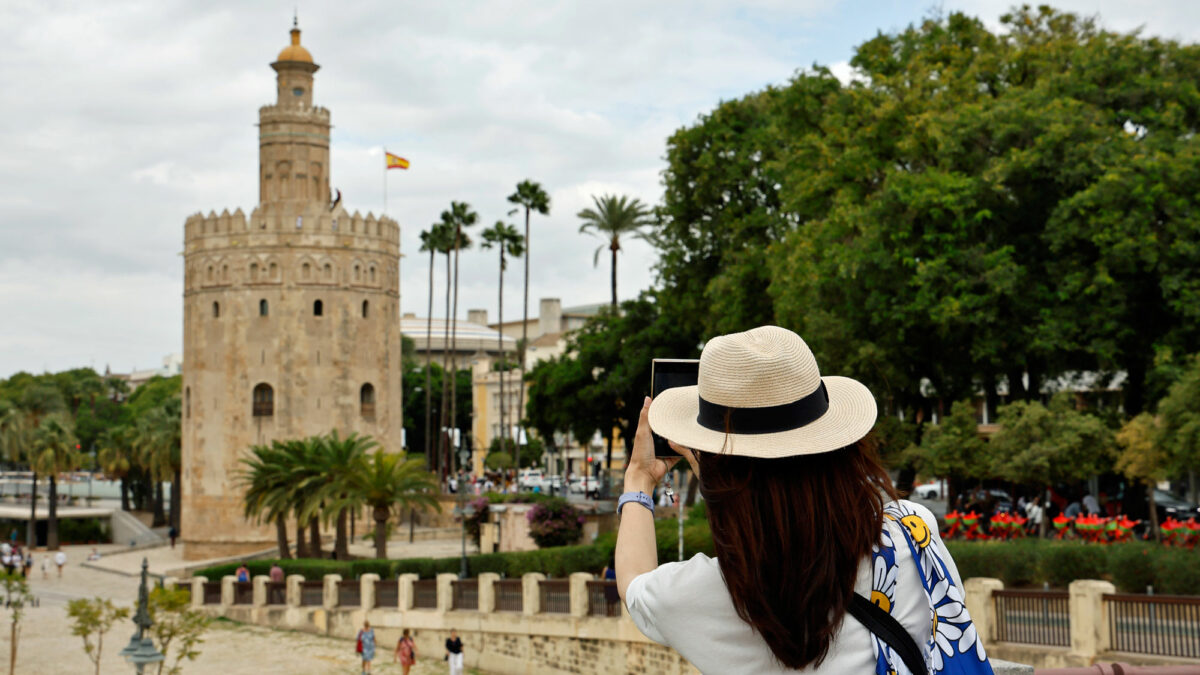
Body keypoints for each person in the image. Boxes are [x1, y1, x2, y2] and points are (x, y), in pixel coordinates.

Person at [620, 326, 991, 674]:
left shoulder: (705, 593)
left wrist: (640, 477)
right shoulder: (913, 531)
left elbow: (634, 584)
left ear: (721, 478)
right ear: (839, 446)